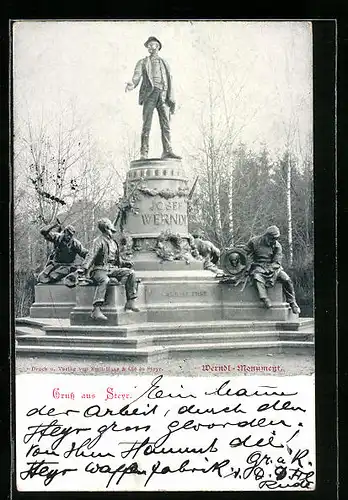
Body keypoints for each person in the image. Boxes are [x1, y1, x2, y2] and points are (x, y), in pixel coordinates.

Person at [125, 36, 181, 160]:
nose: (150, 47)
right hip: (150, 94)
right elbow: (137, 75)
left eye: (153, 44)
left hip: (163, 95)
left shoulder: (164, 63)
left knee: (166, 124)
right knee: (147, 124)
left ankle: (167, 150)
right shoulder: (143, 62)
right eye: (149, 45)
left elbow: (169, 79)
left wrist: (171, 97)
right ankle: (144, 152)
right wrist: (132, 84)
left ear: (158, 46)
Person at [82, 218, 140, 320]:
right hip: (99, 270)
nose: (112, 231)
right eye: (110, 228)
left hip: (112, 269)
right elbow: (91, 255)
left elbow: (118, 261)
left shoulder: (114, 243)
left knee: (131, 273)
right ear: (107, 228)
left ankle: (130, 301)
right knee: (105, 280)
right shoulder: (98, 241)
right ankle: (96, 310)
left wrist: (126, 263)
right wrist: (84, 268)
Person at [245, 225, 301, 314]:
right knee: (257, 276)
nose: (274, 241)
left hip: (273, 267)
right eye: (272, 238)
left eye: (276, 239)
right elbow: (245, 253)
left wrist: (268, 269)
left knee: (286, 279)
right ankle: (264, 298)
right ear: (266, 236)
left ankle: (292, 302)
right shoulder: (254, 241)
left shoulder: (277, 246)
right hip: (258, 265)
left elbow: (277, 262)